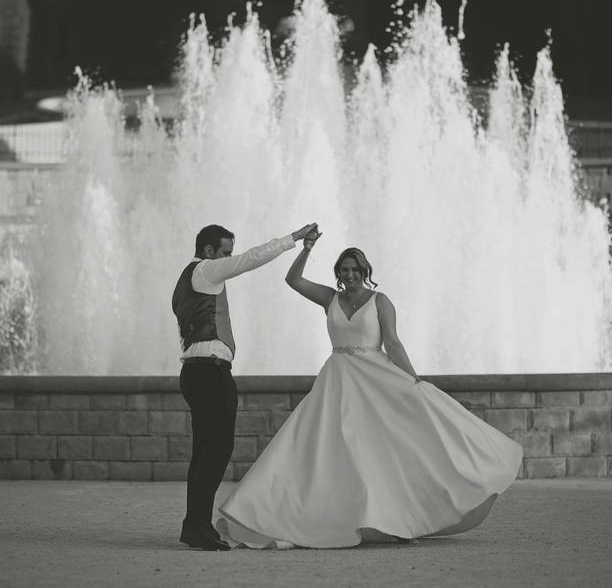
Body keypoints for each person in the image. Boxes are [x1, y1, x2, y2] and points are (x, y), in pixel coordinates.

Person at [215, 231, 524, 549]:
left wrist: (414, 380)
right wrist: (306, 248)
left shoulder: (381, 301)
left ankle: (396, 519)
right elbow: (293, 280)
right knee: (321, 447)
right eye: (344, 269)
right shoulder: (329, 299)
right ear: (338, 273)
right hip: (337, 380)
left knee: (380, 449)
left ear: (365, 272)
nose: (349, 274)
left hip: (374, 380)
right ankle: (310, 514)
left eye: (355, 269)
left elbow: (392, 342)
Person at [172, 222, 318, 551]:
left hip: (197, 371)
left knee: (205, 452)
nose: (229, 258)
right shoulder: (206, 271)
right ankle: (196, 525)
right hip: (209, 372)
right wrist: (293, 239)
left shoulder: (188, 281)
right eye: (225, 252)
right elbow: (251, 259)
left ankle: (195, 524)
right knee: (217, 450)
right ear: (209, 251)